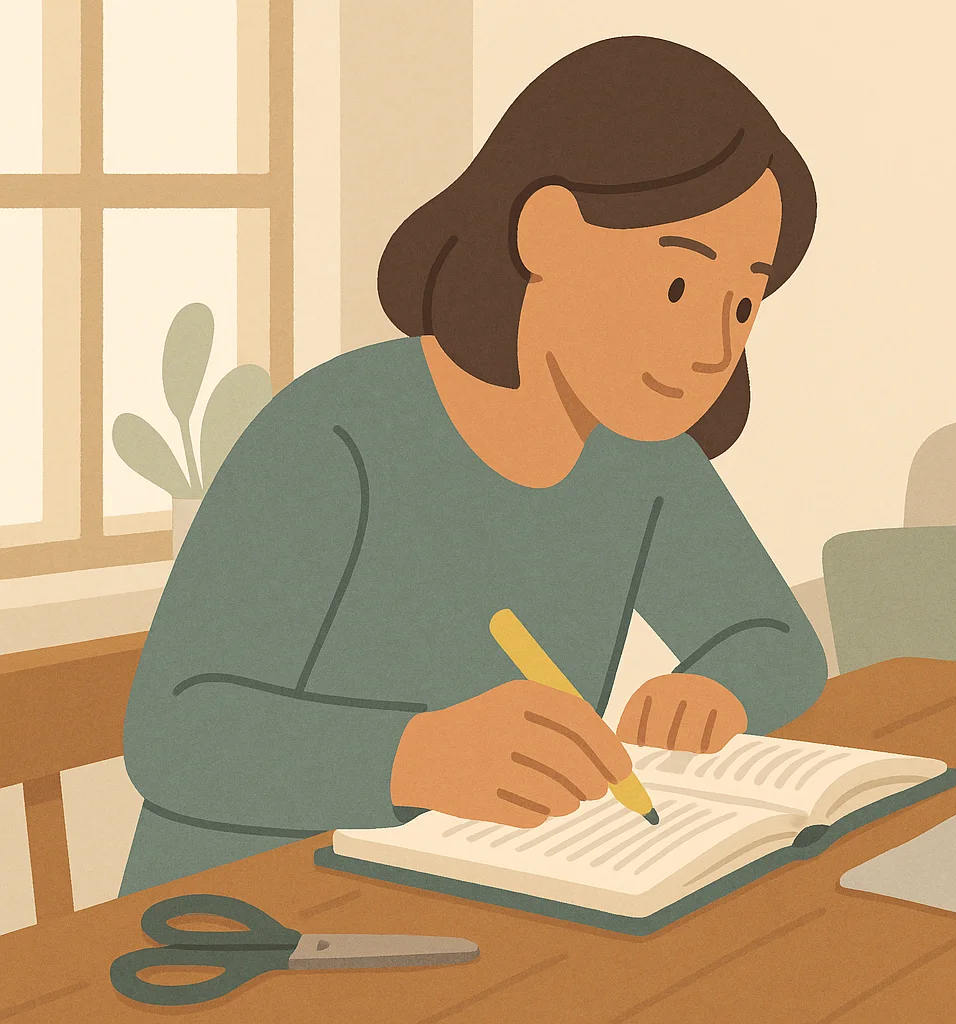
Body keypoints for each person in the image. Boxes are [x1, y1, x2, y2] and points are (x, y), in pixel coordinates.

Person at [119, 36, 826, 894]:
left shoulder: (640, 455)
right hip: (248, 914)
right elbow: (177, 733)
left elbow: (777, 640)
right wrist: (413, 757)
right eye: (680, 287)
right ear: (549, 234)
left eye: (744, 302)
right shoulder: (337, 434)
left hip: (479, 898)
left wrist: (720, 689)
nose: (717, 346)